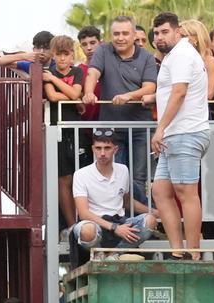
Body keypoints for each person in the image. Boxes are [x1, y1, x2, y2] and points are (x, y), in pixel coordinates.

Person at [149, 13, 210, 258]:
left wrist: (160, 127)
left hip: (185, 132)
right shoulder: (174, 56)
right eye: (156, 33)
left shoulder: (183, 54)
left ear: (178, 32)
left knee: (186, 192)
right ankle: (177, 251)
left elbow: (179, 93)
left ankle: (193, 253)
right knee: (161, 191)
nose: (159, 37)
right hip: (174, 134)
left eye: (165, 31)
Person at [82, 16, 158, 205]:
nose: (120, 38)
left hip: (141, 128)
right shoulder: (103, 50)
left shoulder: (147, 56)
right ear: (111, 36)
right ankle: (120, 220)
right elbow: (93, 72)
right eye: (116, 33)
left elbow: (150, 87)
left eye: (125, 33)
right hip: (111, 129)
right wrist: (89, 92)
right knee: (115, 176)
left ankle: (140, 222)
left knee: (138, 178)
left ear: (134, 35)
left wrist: (128, 96)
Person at [68, 128, 158, 268]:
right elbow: (83, 213)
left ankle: (113, 255)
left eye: (107, 148)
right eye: (98, 148)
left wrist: (154, 212)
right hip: (95, 224)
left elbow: (126, 202)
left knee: (150, 220)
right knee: (86, 230)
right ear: (93, 149)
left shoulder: (123, 170)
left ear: (115, 149)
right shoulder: (81, 174)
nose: (102, 153)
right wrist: (115, 228)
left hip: (119, 221)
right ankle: (100, 255)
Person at [44, 35, 85, 225]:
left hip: (76, 130)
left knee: (81, 178)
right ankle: (71, 224)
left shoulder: (77, 71)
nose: (62, 58)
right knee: (63, 179)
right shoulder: (47, 72)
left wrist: (54, 79)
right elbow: (52, 97)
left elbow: (76, 94)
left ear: (72, 55)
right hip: (56, 131)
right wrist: (71, 95)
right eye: (58, 54)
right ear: (53, 55)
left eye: (66, 54)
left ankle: (85, 221)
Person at [180, 20, 214, 100]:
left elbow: (210, 93)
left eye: (183, 36)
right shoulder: (178, 59)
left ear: (196, 38)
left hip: (198, 108)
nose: (179, 40)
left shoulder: (209, 61)